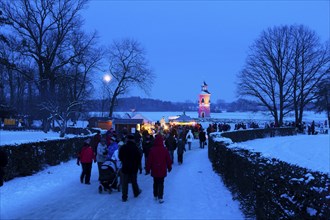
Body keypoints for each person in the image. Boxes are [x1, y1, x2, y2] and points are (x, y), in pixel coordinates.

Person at [146, 134, 172, 204]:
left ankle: (155, 195)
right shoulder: (164, 150)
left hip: (154, 169)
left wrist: (148, 169)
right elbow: (168, 159)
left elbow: (149, 160)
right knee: (161, 183)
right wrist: (169, 167)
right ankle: (160, 197)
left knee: (155, 182)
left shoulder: (152, 150)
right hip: (162, 169)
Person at [118, 134, 142, 202]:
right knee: (134, 181)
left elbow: (120, 157)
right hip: (134, 167)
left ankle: (124, 196)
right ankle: (136, 192)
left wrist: (124, 161)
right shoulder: (135, 148)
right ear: (133, 140)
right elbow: (138, 157)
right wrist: (138, 165)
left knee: (125, 182)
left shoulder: (123, 147)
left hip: (125, 167)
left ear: (127, 139)